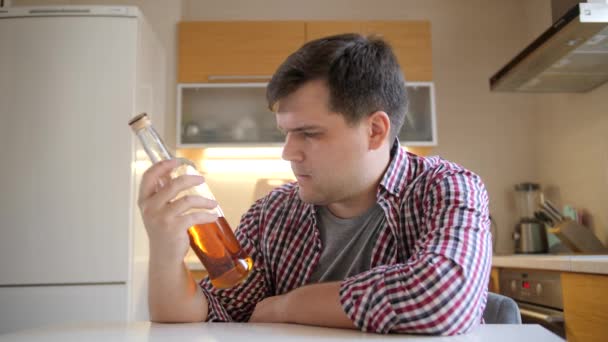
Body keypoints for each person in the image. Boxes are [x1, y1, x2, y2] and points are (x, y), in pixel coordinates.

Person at [138, 33, 491, 335]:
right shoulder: (272, 213)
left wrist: (288, 306)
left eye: (308, 133)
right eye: (287, 134)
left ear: (374, 131)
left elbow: (444, 298)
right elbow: (209, 316)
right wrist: (166, 251)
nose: (288, 153)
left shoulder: (447, 188)